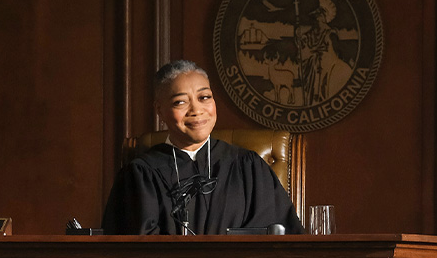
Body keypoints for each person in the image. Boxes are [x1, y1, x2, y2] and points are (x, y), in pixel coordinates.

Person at [102, 60, 304, 235]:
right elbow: (131, 252)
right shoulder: (141, 175)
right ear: (159, 110)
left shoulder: (249, 168)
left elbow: (280, 240)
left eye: (204, 97)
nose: (197, 110)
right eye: (180, 102)